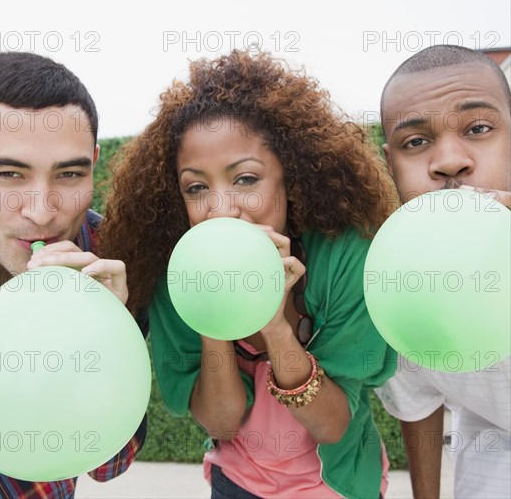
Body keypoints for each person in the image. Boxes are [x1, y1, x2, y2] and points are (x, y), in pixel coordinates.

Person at [100, 49, 398, 498]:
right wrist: (215, 313)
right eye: (197, 188)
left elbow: (333, 425)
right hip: (236, 482)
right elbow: (221, 421)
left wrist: (274, 324)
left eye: (245, 179)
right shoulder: (175, 277)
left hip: (339, 485)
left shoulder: (347, 256)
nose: (221, 210)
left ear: (290, 177)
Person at [0, 52, 147, 499]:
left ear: (95, 162)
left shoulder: (115, 261)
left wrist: (109, 328)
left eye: (68, 174)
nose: (42, 211)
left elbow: (109, 464)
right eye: (8, 174)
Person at [375, 44, 511, 498]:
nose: (450, 161)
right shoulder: (394, 284)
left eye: (478, 128)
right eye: (415, 142)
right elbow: (417, 404)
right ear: (389, 164)